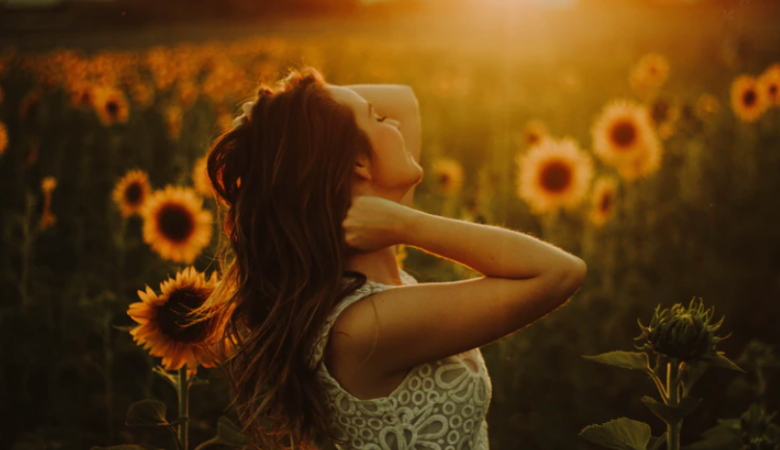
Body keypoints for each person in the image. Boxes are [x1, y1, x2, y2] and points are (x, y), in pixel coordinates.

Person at [194, 66, 587, 450]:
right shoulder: (367, 325)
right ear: (359, 164)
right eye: (378, 119)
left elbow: (404, 101)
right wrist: (410, 225)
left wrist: (290, 112)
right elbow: (559, 272)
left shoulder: (368, 267)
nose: (395, 124)